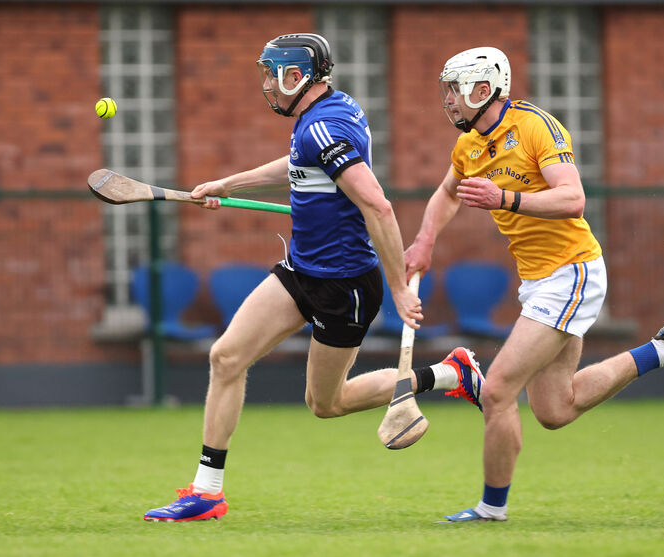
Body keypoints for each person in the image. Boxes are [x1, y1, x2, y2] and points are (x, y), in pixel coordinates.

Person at [143, 33, 485, 522]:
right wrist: (227, 183)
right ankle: (206, 491)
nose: (266, 84)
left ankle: (452, 373)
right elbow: (300, 162)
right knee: (226, 356)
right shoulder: (324, 114)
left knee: (327, 403)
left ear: (296, 76)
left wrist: (398, 288)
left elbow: (378, 205)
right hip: (301, 270)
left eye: (271, 74)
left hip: (342, 285)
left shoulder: (322, 127)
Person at [403, 47, 664, 523]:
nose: (446, 99)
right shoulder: (468, 146)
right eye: (445, 89)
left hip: (572, 271)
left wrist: (503, 197)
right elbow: (447, 193)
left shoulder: (535, 127)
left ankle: (491, 510)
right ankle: (663, 351)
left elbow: (573, 199)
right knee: (555, 408)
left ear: (482, 90)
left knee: (497, 391)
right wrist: (425, 240)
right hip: (540, 280)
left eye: (454, 89)